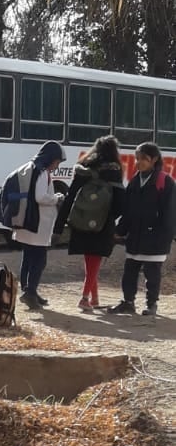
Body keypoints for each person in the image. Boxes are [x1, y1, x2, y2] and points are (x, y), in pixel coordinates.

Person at [55, 136, 124, 311]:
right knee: (96, 259)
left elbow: (70, 196)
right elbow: (119, 200)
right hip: (102, 221)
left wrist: (60, 224)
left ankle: (94, 299)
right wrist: (113, 218)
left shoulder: (83, 167)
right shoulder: (114, 170)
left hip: (81, 218)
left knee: (90, 259)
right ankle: (85, 298)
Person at [107, 143, 176, 318]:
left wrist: (166, 237)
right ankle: (128, 302)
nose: (138, 162)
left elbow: (170, 213)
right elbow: (128, 210)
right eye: (137, 159)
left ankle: (151, 304)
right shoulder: (135, 181)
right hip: (135, 237)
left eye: (142, 159)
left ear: (153, 160)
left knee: (152, 274)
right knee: (129, 271)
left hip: (155, 238)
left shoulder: (165, 181)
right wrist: (120, 230)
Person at [8, 140, 65, 310]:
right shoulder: (42, 172)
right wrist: (57, 198)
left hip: (27, 222)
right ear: (50, 158)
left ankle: (29, 290)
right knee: (39, 260)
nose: (57, 165)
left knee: (28, 258)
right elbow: (40, 197)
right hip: (37, 224)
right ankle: (30, 292)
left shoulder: (31, 167)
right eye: (57, 161)